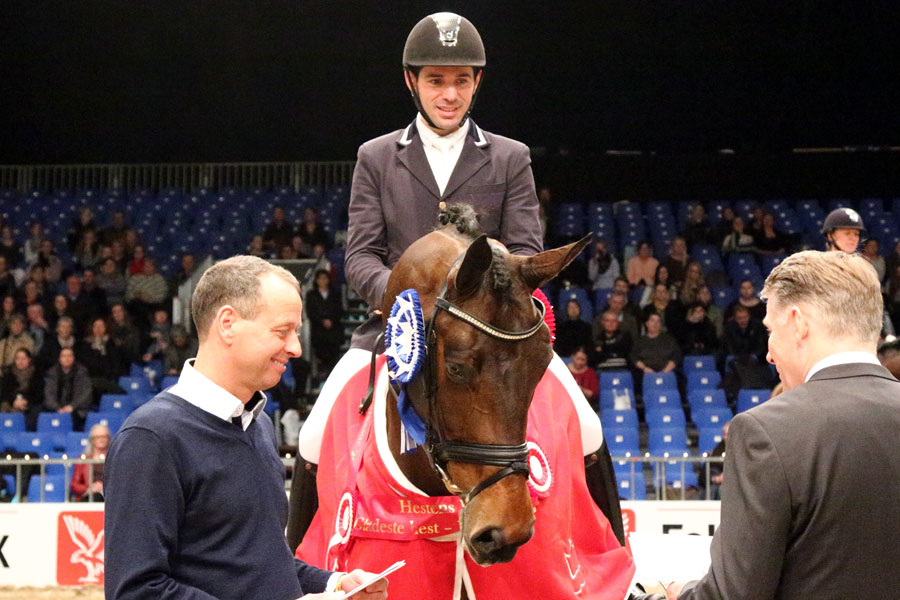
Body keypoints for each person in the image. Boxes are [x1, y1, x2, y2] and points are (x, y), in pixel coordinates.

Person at [293, 11, 624, 554]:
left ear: (477, 82)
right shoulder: (376, 157)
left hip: (489, 338)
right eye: (436, 80)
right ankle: (295, 567)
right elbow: (361, 256)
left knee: (587, 426)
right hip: (395, 334)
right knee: (312, 435)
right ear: (411, 81)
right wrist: (408, 310)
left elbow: (523, 251)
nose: (449, 94)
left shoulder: (510, 157)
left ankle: (616, 563)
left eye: (461, 80)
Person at [104, 256, 388, 599]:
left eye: (296, 332)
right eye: (282, 331)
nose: (296, 348)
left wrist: (335, 584)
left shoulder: (259, 426)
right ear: (228, 324)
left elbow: (265, 564)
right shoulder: (151, 439)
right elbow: (136, 591)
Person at [665, 250, 900, 599]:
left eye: (770, 330)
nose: (769, 354)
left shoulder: (766, 431)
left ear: (798, 323)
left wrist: (679, 592)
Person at [43, 347, 93, 431]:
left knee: (73, 420)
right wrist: (58, 408)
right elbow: (48, 394)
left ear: (73, 358)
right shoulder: (52, 373)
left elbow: (86, 394)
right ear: (59, 359)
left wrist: (72, 406)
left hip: (76, 409)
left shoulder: (82, 372)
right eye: (64, 356)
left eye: (69, 356)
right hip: (56, 409)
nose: (67, 358)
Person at [305, 269, 344, 375]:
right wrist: (322, 321)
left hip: (333, 330)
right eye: (320, 278)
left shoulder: (335, 294)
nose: (323, 281)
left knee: (334, 355)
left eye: (325, 278)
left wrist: (331, 320)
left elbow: (339, 310)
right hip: (318, 330)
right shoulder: (311, 294)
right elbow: (310, 312)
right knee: (320, 354)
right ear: (316, 280)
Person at [0, 348, 43, 430]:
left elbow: (39, 394)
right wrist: (14, 402)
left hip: (30, 403)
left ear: (29, 360)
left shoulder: (36, 374)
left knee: (35, 411)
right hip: (12, 402)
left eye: (23, 358)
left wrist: (26, 401)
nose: (20, 361)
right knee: (4, 406)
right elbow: (5, 393)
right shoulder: (8, 374)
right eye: (18, 358)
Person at [70, 423, 109, 502]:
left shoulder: (113, 458)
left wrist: (103, 487)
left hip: (109, 495)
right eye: (98, 437)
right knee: (95, 497)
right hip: (89, 495)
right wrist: (90, 488)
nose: (101, 440)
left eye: (104, 437)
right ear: (92, 440)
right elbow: (74, 484)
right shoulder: (83, 460)